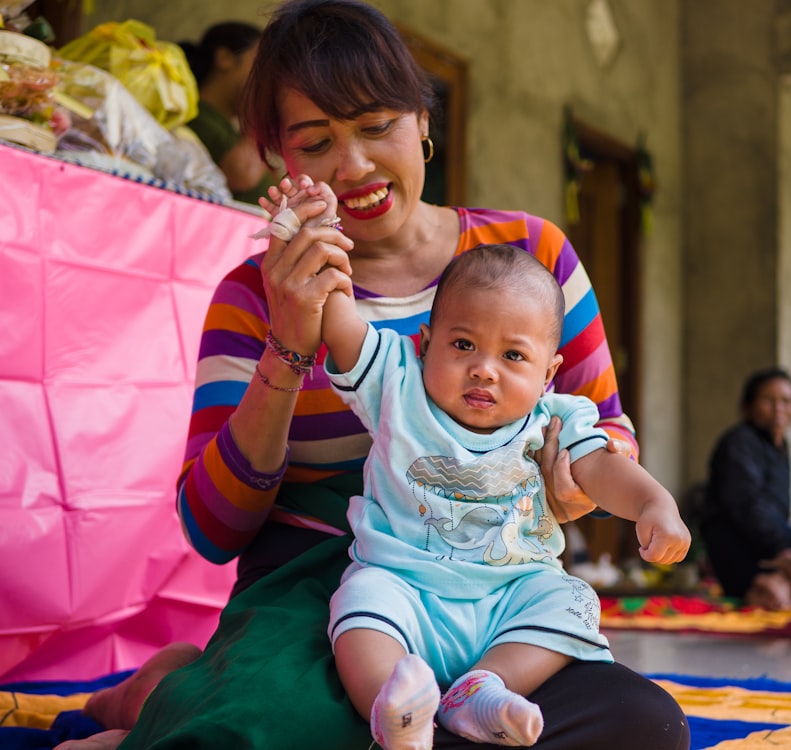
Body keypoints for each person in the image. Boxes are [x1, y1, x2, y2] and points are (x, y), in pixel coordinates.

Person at [54, 2, 691, 749]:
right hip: (327, 578)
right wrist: (288, 348)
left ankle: (199, 701)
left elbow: (601, 429)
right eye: (317, 141)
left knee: (643, 727)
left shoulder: (529, 254)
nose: (352, 167)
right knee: (274, 728)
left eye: (377, 125)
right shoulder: (253, 295)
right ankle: (184, 694)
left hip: (493, 581)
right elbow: (214, 528)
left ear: (423, 120)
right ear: (278, 159)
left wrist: (565, 480)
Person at [303, 236, 689, 748]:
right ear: (424, 345)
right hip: (404, 589)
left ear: (549, 373)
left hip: (512, 597)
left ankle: (482, 690)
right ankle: (395, 714)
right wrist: (315, 250)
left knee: (571, 599)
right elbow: (344, 325)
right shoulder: (398, 382)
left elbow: (599, 467)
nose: (485, 368)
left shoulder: (557, 417)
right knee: (357, 605)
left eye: (513, 355)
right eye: (463, 345)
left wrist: (653, 503)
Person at [699, 367, 791, 611]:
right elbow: (746, 505)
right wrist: (782, 551)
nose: (780, 408)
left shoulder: (781, 446)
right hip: (738, 544)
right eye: (769, 400)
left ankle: (779, 585)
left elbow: (778, 511)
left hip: (768, 541)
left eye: (787, 401)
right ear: (747, 406)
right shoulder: (739, 441)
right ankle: (771, 586)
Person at [179, 21, 279, 204]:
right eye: (260, 63)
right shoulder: (196, 116)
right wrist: (259, 109)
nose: (265, 77)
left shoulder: (225, 125)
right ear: (225, 58)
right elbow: (243, 175)